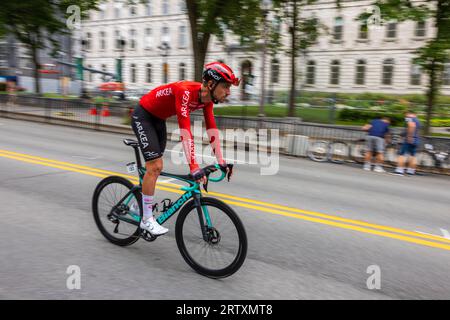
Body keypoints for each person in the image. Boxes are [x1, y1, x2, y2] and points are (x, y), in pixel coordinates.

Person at [131, 62, 240, 235]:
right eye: (226, 86)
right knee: (155, 166)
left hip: (158, 120)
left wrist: (221, 161)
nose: (228, 92)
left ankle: (138, 203)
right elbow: (185, 131)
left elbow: (211, 129)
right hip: (143, 116)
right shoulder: (185, 91)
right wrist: (194, 167)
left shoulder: (207, 101)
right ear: (211, 84)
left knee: (154, 168)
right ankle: (146, 219)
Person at [394, 110, 421, 176]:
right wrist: (403, 134)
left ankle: (399, 171)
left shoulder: (409, 118)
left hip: (409, 139)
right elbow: (414, 129)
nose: (405, 116)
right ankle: (410, 171)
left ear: (409, 114)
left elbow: (411, 126)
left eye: (406, 115)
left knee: (401, 154)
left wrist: (409, 137)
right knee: (412, 155)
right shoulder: (418, 120)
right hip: (416, 140)